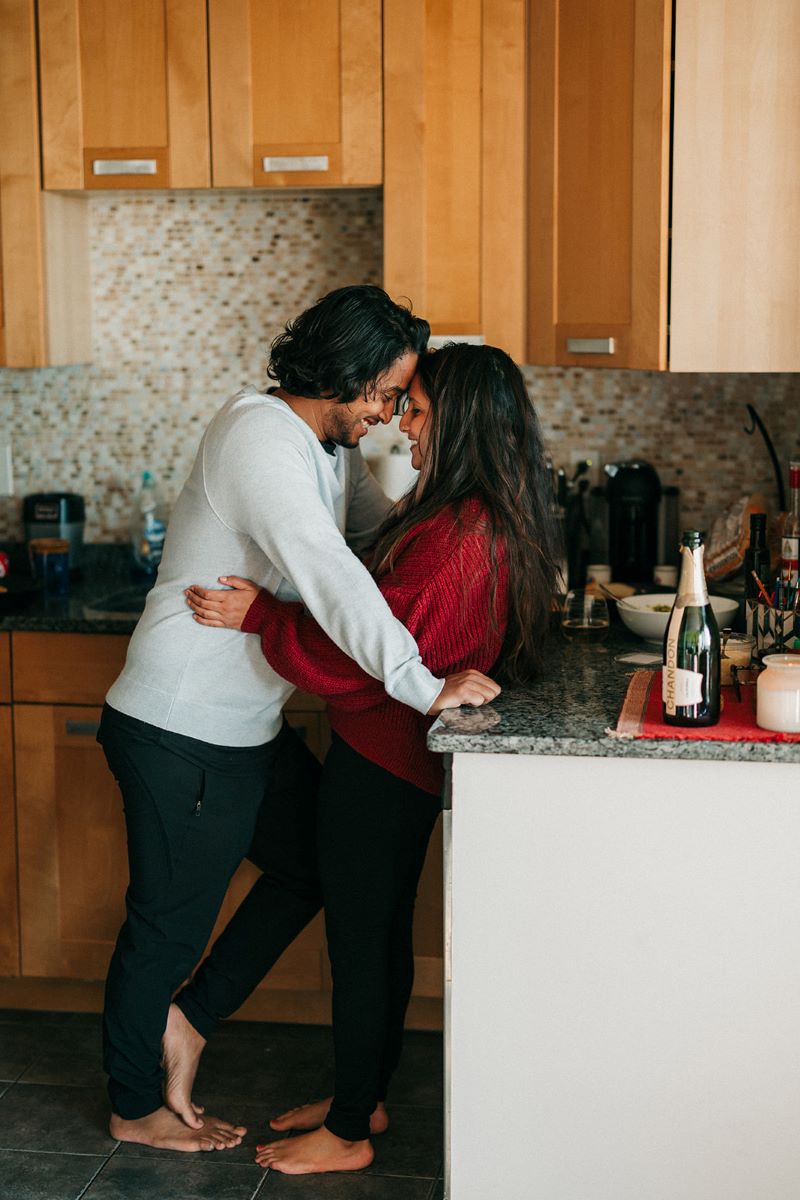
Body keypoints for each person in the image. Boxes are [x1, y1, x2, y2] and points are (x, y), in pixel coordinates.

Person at [97, 287, 498, 1154]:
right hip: (181, 725)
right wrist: (419, 682)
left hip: (245, 728)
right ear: (346, 376)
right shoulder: (261, 439)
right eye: (387, 395)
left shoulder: (323, 445)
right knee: (167, 921)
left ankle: (189, 1021)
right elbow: (330, 572)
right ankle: (133, 1104)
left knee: (315, 865)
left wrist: (451, 518)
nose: (391, 416)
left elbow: (373, 539)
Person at [183, 342, 559, 1173]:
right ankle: (366, 1093)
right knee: (377, 936)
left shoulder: (457, 533)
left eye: (418, 412)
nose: (406, 428)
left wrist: (259, 619)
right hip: (401, 758)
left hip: (383, 762)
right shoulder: (484, 511)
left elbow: (363, 650)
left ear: (458, 420)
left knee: (361, 943)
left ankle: (348, 1132)